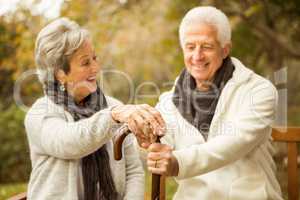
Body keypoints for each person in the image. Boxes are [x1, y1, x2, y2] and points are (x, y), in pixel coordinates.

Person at [142, 6, 283, 200]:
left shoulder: (259, 91)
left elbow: (232, 144)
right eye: (190, 47)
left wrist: (178, 163)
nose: (197, 56)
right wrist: (147, 139)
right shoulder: (169, 101)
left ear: (225, 49)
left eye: (206, 47)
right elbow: (159, 142)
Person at [25, 17, 165, 200]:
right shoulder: (40, 113)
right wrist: (112, 117)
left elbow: (133, 171)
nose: (96, 67)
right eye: (85, 63)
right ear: (60, 74)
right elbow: (70, 142)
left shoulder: (114, 106)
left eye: (95, 58)